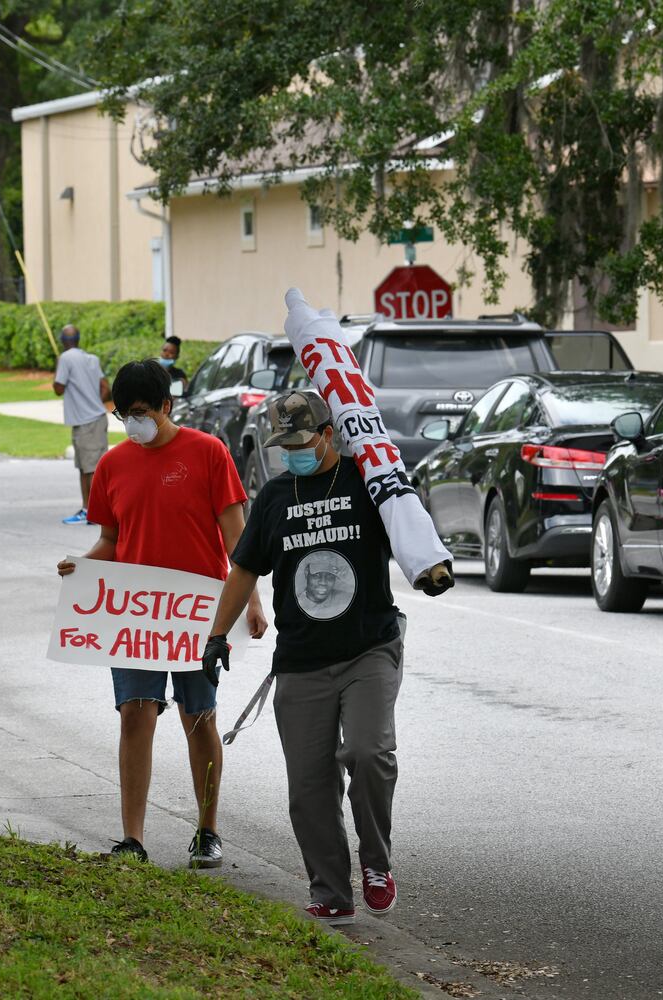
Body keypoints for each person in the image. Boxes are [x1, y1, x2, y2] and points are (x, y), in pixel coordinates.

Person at [202, 388, 406, 927]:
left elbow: (413, 532)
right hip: (301, 659)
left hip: (369, 648)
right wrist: (217, 635)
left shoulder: (369, 483)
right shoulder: (274, 497)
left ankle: (377, 864)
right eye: (283, 442)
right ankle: (331, 889)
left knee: (368, 753)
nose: (291, 451)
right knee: (309, 784)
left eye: (301, 440)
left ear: (329, 435)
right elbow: (244, 567)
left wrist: (434, 567)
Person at [56, 360, 266, 866]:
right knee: (135, 714)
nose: (133, 422)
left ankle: (207, 830)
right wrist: (82, 567)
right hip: (137, 614)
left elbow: (238, 538)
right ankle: (133, 838)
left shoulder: (208, 453)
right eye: (123, 413)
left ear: (167, 406)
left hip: (199, 611)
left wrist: (253, 601)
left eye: (141, 412)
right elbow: (111, 540)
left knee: (200, 718)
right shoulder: (111, 465)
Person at [53, 324, 111, 525]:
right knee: (86, 467)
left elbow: (58, 388)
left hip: (87, 422)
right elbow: (105, 387)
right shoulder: (92, 359)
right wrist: (94, 402)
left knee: (90, 469)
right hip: (94, 419)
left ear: (63, 341)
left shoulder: (66, 358)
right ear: (78, 339)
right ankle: (87, 509)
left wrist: (57, 365)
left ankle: (94, 512)